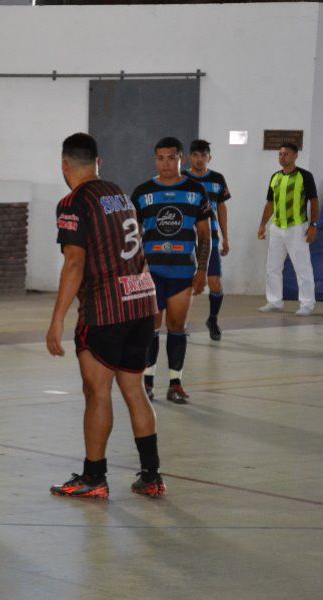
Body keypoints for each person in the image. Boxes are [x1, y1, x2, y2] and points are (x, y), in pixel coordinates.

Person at [46, 133, 165, 499]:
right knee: (133, 390)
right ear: (99, 162)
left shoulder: (73, 202)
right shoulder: (120, 193)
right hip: (142, 302)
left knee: (97, 392)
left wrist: (57, 319)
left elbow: (75, 262)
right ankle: (151, 476)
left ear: (65, 166)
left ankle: (93, 477)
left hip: (107, 310)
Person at [131, 137, 212, 405]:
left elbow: (204, 235)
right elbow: (132, 235)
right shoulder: (142, 193)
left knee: (177, 326)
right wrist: (133, 270)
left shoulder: (195, 190)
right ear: (155, 159)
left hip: (182, 273)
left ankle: (175, 383)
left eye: (171, 157)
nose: (165, 163)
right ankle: (148, 382)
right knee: (151, 327)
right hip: (150, 273)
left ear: (181, 159)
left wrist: (202, 270)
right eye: (160, 158)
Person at [257, 143, 319, 316]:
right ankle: (274, 301)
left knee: (302, 267)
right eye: (280, 154)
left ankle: (307, 304)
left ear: (295, 156)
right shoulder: (275, 177)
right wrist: (263, 224)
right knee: (273, 267)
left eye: (286, 154)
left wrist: (313, 225)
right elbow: (270, 203)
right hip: (277, 228)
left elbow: (314, 201)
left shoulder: (305, 176)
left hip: (297, 228)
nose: (282, 157)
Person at [184, 139, 232, 341]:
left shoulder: (217, 179)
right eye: (195, 155)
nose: (199, 159)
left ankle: (212, 319)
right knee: (185, 284)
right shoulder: (182, 178)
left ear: (209, 157)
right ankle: (180, 322)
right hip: (186, 238)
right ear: (189, 157)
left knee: (215, 282)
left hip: (209, 238)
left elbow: (221, 208)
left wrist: (225, 237)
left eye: (203, 155)